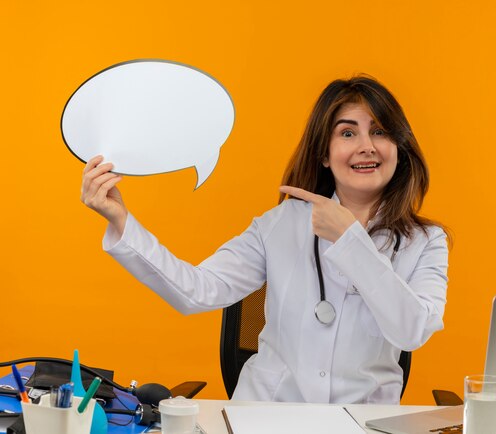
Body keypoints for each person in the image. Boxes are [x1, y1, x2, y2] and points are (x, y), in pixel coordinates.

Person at [81, 75, 449, 404]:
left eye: (380, 132)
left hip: (361, 421)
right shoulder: (280, 224)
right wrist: (122, 222)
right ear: (324, 153)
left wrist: (349, 239)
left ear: (399, 148)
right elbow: (197, 291)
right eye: (347, 133)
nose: (367, 146)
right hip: (267, 415)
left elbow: (412, 330)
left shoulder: (426, 241)